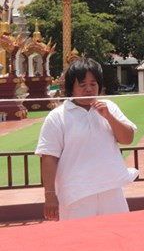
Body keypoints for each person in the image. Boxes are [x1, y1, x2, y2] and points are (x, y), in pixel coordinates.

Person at [35, 58, 137, 221]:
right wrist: (50, 195)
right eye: (82, 85)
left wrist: (108, 117)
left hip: (111, 188)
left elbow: (127, 138)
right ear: (71, 89)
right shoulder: (57, 117)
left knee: (118, 238)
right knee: (79, 243)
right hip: (76, 194)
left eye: (93, 84)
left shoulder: (109, 107)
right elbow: (48, 157)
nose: (89, 89)